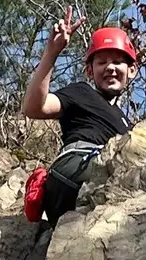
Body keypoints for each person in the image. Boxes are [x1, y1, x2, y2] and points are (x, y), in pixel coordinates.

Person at [20, 16, 137, 223]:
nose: (110, 67)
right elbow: (33, 107)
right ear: (90, 71)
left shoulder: (128, 125)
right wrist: (52, 52)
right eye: (102, 62)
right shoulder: (81, 92)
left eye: (118, 62)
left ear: (132, 70)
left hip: (80, 188)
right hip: (75, 168)